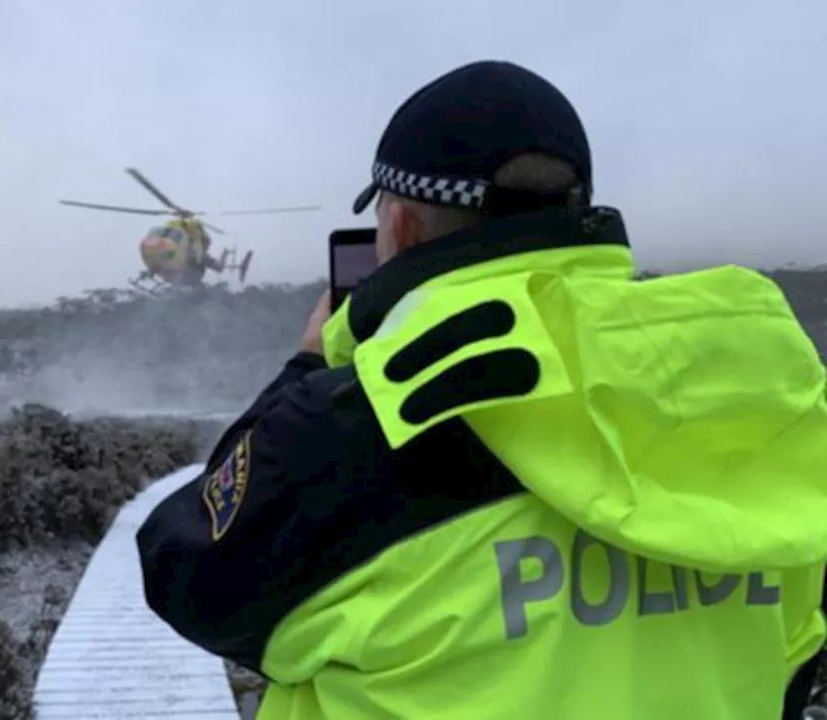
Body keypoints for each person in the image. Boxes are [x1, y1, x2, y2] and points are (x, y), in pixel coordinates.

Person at [135, 59, 827, 719]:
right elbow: (796, 660)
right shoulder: (770, 406)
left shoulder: (356, 433)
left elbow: (188, 571)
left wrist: (306, 370)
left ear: (401, 224)